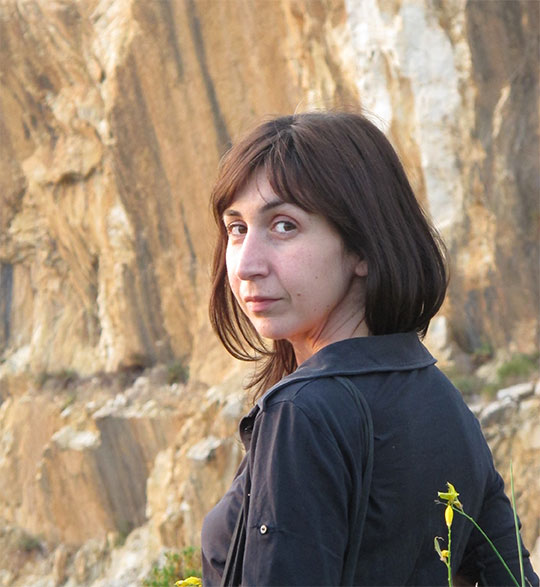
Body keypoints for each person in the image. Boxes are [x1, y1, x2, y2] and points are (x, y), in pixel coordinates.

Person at [201, 111, 538, 586]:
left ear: (362, 247)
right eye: (237, 228)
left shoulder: (302, 413)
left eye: (284, 226)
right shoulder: (444, 401)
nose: (245, 265)